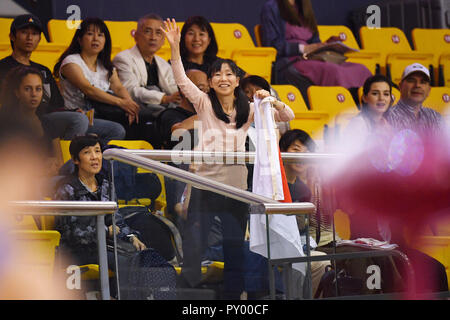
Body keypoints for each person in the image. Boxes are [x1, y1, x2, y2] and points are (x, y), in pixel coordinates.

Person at [161, 18, 295, 299]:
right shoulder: (203, 103)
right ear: (210, 82)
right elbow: (181, 78)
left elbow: (288, 118)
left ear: (237, 81)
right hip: (205, 187)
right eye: (217, 75)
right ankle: (191, 298)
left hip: (236, 191)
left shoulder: (249, 109)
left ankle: (232, 298)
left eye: (229, 74)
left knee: (234, 247)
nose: (223, 78)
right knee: (194, 248)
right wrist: (174, 47)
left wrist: (271, 100)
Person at [53, 134, 148, 297]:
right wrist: (106, 231)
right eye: (87, 152)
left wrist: (132, 237)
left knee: (143, 257)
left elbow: (117, 220)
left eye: (97, 151)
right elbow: (71, 233)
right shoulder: (67, 189)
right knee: (125, 263)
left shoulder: (106, 186)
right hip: (75, 251)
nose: (95, 157)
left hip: (102, 247)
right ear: (76, 160)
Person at [0, 14, 89, 140]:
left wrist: (70, 111)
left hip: (48, 118)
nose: (30, 38)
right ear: (12, 36)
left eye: (35, 34)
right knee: (79, 120)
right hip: (19, 119)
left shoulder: (43, 70)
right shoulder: (2, 67)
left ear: (39, 39)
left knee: (113, 129)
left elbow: (57, 103)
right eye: (24, 32)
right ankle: (71, 158)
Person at [260, 0, 372, 100]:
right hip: (291, 59)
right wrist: (303, 48)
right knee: (334, 71)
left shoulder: (303, 7)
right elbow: (271, 44)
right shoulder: (271, 7)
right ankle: (343, 104)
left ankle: (363, 105)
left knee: (361, 69)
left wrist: (326, 45)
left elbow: (314, 40)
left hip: (312, 57)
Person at [54, 17, 136, 142]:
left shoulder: (106, 66)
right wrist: (121, 103)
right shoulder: (71, 62)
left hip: (100, 115)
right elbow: (88, 90)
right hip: (77, 116)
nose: (95, 38)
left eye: (100, 35)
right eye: (90, 34)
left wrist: (129, 105)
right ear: (80, 40)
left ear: (105, 41)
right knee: (117, 130)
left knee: (138, 122)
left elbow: (118, 87)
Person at [278, 129, 330, 297]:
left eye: (307, 153)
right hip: (277, 245)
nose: (301, 157)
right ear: (282, 152)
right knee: (314, 261)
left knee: (321, 261)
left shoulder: (304, 189)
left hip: (299, 244)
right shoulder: (273, 184)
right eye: (296, 150)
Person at [113, 13, 181, 121]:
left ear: (164, 40)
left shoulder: (164, 64)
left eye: (158, 33)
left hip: (164, 106)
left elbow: (173, 87)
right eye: (147, 31)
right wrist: (164, 98)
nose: (153, 37)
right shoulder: (123, 58)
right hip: (140, 107)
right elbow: (131, 90)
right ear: (136, 36)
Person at [0, 65, 63, 177]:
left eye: (38, 89)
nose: (34, 94)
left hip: (48, 180)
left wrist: (53, 167)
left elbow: (59, 163)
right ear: (16, 92)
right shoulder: (5, 123)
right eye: (27, 89)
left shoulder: (48, 123)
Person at [385, 63, 444, 136]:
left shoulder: (435, 117)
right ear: (400, 86)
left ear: (429, 90)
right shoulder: (387, 117)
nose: (417, 85)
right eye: (411, 80)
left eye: (423, 82)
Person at [180, 15, 247, 78]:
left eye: (201, 34)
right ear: (183, 38)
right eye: (191, 33)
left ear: (209, 40)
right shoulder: (175, 65)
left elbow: (249, 79)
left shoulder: (219, 64)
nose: (196, 39)